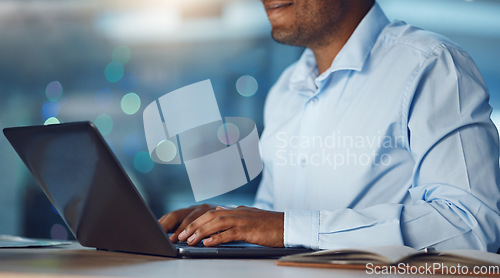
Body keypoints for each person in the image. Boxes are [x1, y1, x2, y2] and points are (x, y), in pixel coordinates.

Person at [159, 0, 500, 252]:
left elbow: (470, 225)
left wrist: (287, 226)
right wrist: (220, 225)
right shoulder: (285, 89)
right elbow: (275, 223)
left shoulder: (432, 65)